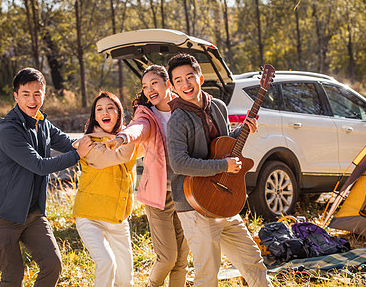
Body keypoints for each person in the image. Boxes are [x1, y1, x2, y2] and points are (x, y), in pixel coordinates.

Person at [165, 54, 272, 287]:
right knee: (207, 275)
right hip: (194, 205)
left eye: (189, 77)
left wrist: (244, 130)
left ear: (200, 78)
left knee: (252, 261)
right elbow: (179, 164)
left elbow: (222, 145)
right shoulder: (177, 120)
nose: (186, 84)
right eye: (179, 81)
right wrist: (224, 166)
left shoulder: (218, 107)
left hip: (224, 201)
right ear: (172, 87)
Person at [0, 67, 94, 287]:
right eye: (26, 94)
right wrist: (77, 155)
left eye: (37, 93)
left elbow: (67, 142)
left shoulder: (41, 121)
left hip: (32, 213)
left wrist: (96, 140)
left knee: (53, 265)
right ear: (16, 96)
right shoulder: (9, 129)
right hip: (4, 215)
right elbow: (39, 166)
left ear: (44, 94)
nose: (32, 99)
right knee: (13, 276)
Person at [103, 65, 189, 287]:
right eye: (144, 86)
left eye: (154, 83)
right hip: (158, 195)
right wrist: (122, 138)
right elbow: (137, 129)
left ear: (168, 84)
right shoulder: (147, 115)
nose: (149, 89)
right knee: (168, 257)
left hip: (187, 192)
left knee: (181, 260)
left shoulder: (185, 109)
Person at [72, 91, 143, 287]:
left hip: (118, 219)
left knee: (125, 279)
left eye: (110, 108)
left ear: (119, 112)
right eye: (99, 109)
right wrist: (129, 136)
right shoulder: (88, 143)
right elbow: (117, 157)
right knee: (106, 263)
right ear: (94, 116)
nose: (105, 112)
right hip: (90, 217)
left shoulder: (126, 138)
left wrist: (143, 118)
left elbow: (150, 141)